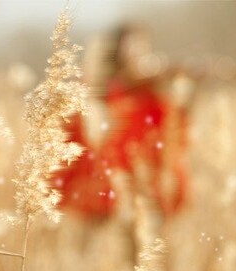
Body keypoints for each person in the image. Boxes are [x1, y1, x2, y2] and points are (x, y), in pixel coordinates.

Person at [53, 24, 193, 221]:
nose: (136, 53)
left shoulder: (153, 89)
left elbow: (172, 127)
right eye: (130, 47)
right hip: (108, 182)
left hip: (144, 180)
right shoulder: (101, 87)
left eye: (141, 47)